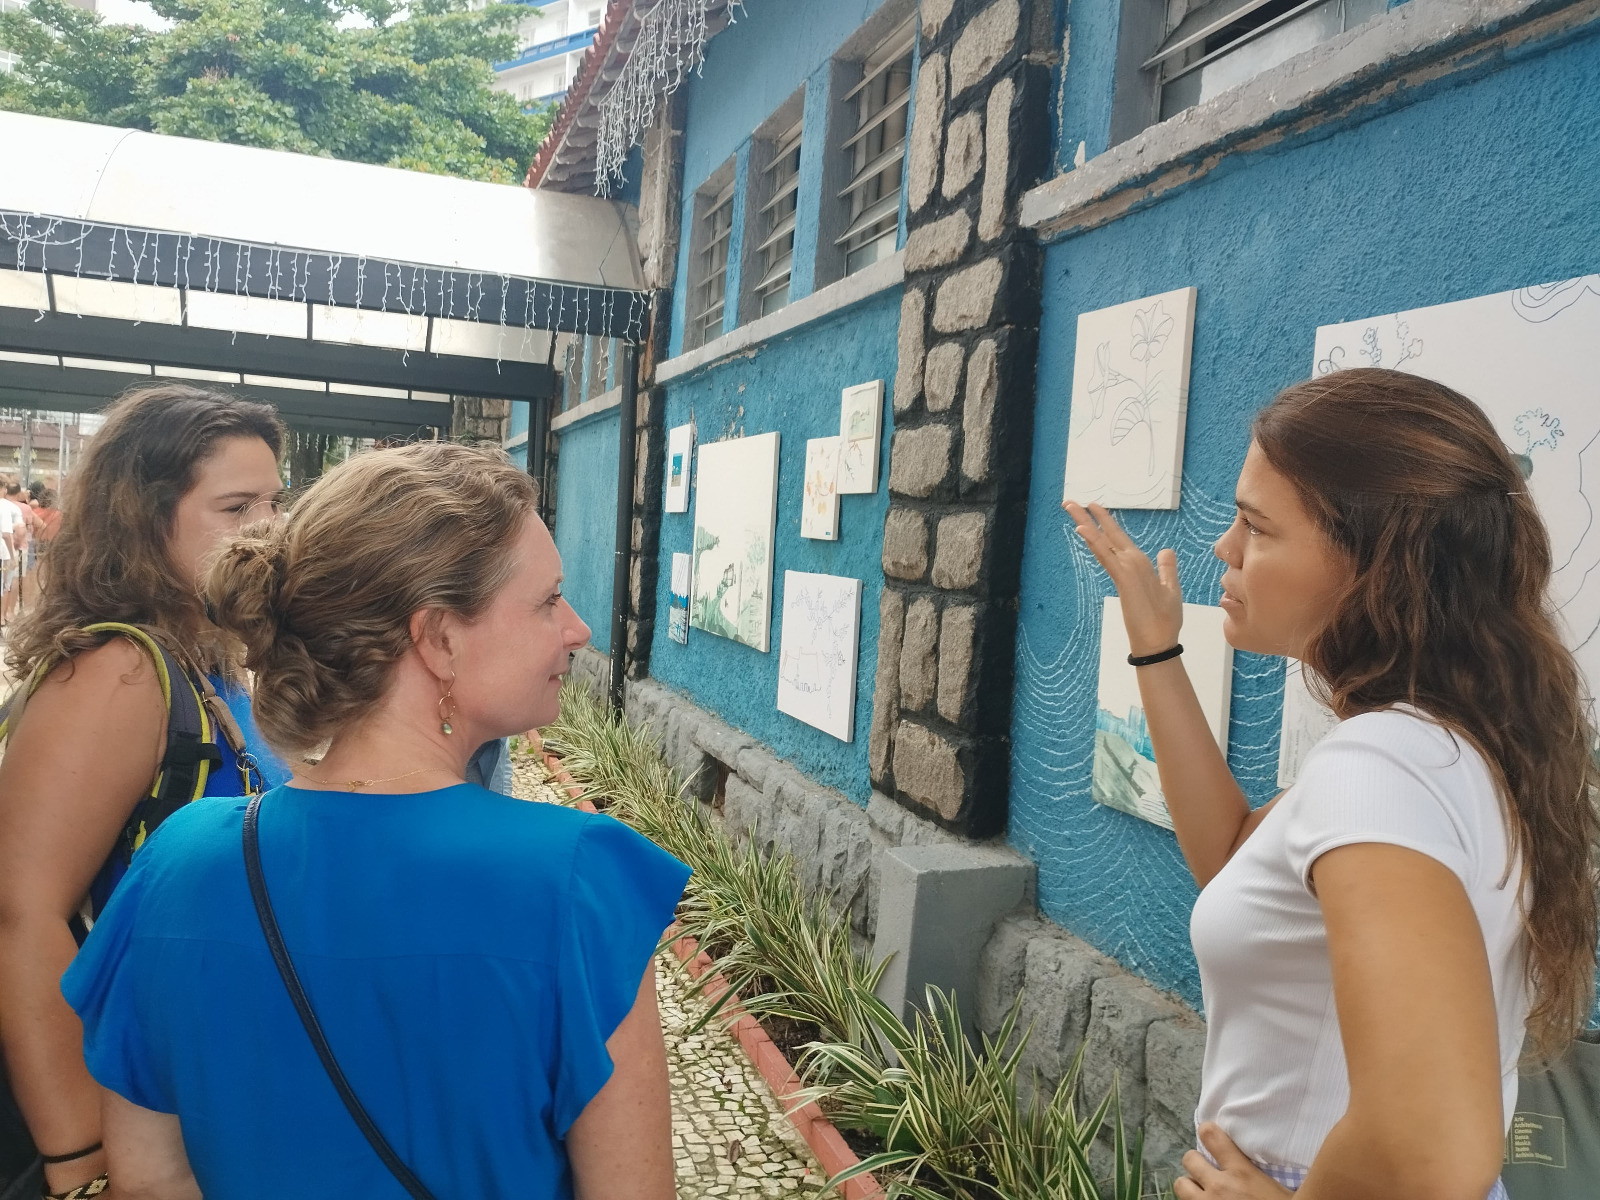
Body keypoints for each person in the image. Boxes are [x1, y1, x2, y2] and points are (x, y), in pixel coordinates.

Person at [61, 442, 686, 1200]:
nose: (578, 628)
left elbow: (153, 1179)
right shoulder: (577, 882)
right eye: (548, 600)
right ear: (438, 640)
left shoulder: (175, 864)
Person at [1067, 368, 1598, 1200]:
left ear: (1373, 562)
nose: (1225, 549)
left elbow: (1433, 1149)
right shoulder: (1449, 742)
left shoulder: (1382, 766)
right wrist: (1157, 648)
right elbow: (1237, 859)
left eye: (1257, 526)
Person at [0, 384, 290, 1200]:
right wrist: (82, 1160)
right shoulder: (117, 671)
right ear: (143, 516)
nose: (270, 530)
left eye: (275, 501)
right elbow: (23, 913)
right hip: (124, 1127)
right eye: (237, 507)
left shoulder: (205, 657)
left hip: (189, 1107)